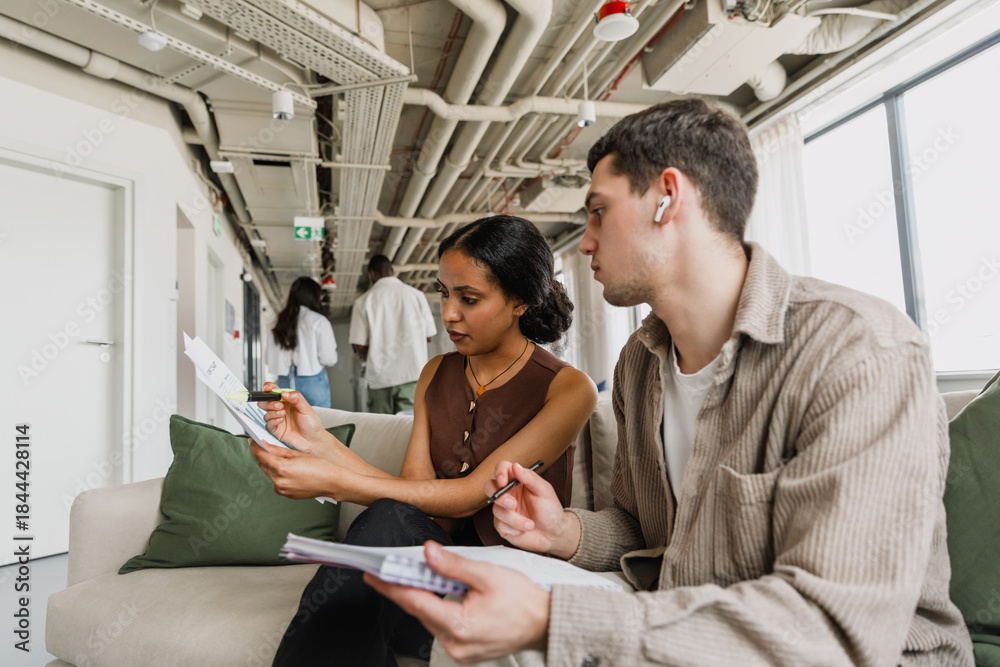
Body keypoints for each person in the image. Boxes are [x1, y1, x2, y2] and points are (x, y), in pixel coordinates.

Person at [367, 99, 976, 666]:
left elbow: (831, 629)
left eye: (599, 211)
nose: (586, 241)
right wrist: (565, 531)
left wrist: (558, 617)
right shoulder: (640, 363)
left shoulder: (857, 351)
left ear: (667, 198)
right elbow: (640, 528)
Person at [250, 215, 598, 666]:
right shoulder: (436, 373)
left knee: (383, 527)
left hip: (509, 582)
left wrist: (333, 481)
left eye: (468, 298)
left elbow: (470, 497)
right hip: (437, 569)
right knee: (390, 517)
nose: (449, 313)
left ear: (520, 302)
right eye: (444, 292)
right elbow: (417, 500)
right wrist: (317, 441)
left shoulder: (568, 388)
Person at [350, 254, 438, 414]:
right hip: (413, 375)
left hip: (380, 379)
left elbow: (359, 345)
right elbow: (429, 335)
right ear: (393, 270)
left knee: (383, 432)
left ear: (372, 273)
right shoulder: (416, 295)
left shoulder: (363, 301)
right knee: (411, 430)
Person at [265, 276, 338, 408]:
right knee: (320, 422)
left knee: (286, 424)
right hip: (312, 380)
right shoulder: (318, 321)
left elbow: (267, 359)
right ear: (314, 297)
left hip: (283, 382)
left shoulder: (275, 323)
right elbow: (329, 359)